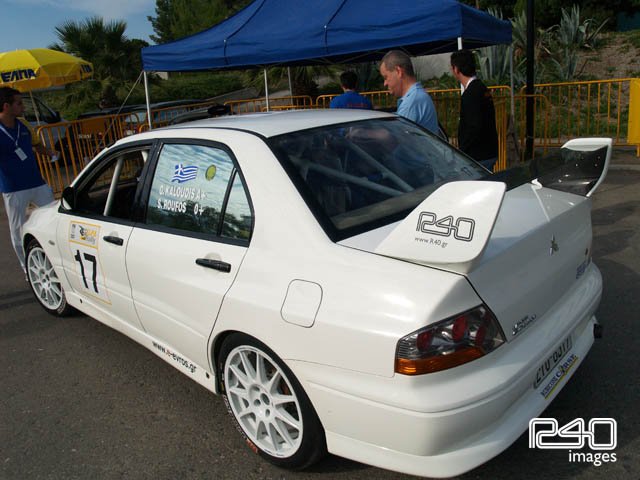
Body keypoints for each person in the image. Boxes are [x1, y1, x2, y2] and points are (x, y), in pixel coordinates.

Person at [0, 87, 57, 274]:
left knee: (54, 218)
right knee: (18, 230)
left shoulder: (23, 124)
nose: (23, 107)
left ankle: (56, 260)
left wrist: (52, 153)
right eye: (19, 103)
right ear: (6, 106)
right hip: (14, 188)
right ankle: (28, 268)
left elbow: (37, 146)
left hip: (37, 182)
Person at [450, 49, 499, 171]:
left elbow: (474, 125)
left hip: (477, 155)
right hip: (489, 150)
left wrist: (462, 150)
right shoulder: (481, 88)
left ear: (456, 69)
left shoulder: (470, 93)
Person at [380, 50, 439, 135]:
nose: (385, 83)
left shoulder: (412, 102)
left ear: (398, 71)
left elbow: (396, 137)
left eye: (386, 77)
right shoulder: (417, 96)